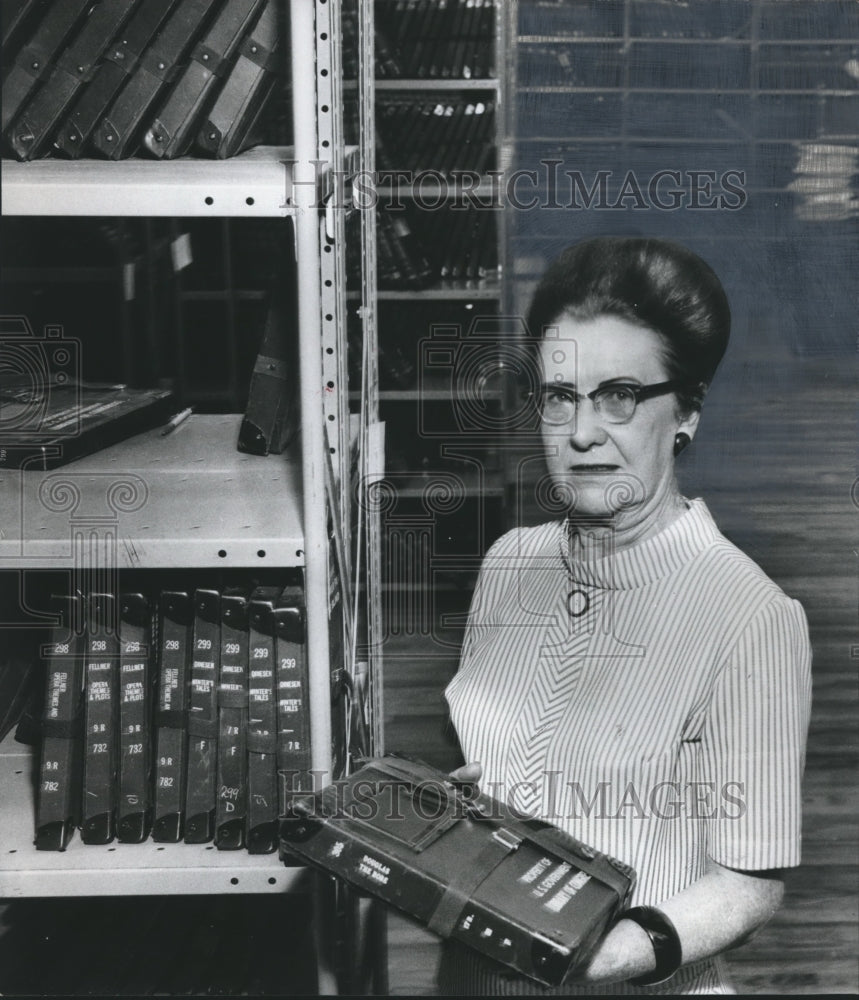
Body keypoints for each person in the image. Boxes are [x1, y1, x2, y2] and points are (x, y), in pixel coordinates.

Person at [438, 236, 812, 995]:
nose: (580, 433)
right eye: (559, 396)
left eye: (618, 396)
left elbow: (750, 882)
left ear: (687, 414)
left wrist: (596, 958)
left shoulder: (751, 617)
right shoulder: (508, 564)